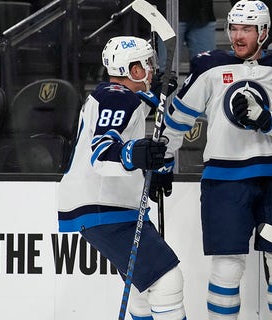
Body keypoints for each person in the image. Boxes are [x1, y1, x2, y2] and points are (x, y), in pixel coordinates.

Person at [161, 2, 272, 319]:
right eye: (233, 28)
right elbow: (178, 119)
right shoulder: (210, 67)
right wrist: (164, 161)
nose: (236, 36)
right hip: (224, 182)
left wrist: (268, 120)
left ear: (263, 32)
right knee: (226, 268)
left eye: (246, 29)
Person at [57, 36, 186, 320]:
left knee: (143, 287)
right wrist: (134, 154)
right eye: (147, 65)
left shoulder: (118, 95)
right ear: (134, 71)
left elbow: (129, 120)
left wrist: (155, 168)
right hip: (104, 204)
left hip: (108, 203)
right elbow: (102, 151)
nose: (152, 70)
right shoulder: (118, 96)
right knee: (166, 280)